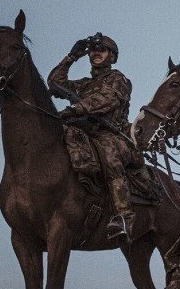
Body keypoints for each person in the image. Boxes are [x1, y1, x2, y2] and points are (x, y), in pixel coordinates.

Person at [48, 33, 137, 240]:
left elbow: (106, 99)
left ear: (112, 57)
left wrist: (75, 109)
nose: (96, 53)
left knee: (109, 155)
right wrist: (72, 56)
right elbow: (54, 83)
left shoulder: (119, 79)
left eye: (102, 50)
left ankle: (124, 217)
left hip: (113, 135)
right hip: (83, 133)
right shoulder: (84, 84)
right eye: (93, 50)